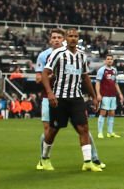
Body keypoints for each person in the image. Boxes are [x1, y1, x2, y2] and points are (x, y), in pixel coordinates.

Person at [39, 29, 102, 172]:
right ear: (66, 38)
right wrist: (50, 93)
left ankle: (87, 162)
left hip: (77, 98)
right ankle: (45, 158)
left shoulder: (81, 55)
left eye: (75, 36)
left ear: (78, 38)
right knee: (53, 130)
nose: (73, 38)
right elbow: (45, 73)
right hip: (59, 98)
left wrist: (93, 97)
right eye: (70, 36)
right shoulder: (58, 53)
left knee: (84, 129)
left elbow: (85, 77)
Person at [34, 28, 64, 170]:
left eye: (59, 37)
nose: (56, 39)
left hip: (67, 97)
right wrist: (50, 76)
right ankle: (44, 159)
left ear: (63, 39)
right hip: (48, 96)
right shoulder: (43, 56)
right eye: (54, 37)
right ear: (50, 40)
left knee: (83, 127)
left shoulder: (69, 54)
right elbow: (38, 79)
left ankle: (93, 159)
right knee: (48, 128)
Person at [95, 54, 124, 138]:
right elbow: (97, 83)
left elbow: (115, 83)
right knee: (103, 112)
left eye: (111, 59)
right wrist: (98, 94)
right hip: (105, 95)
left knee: (112, 113)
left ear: (113, 61)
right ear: (105, 60)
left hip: (113, 95)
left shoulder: (114, 70)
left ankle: (110, 132)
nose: (109, 60)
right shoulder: (102, 70)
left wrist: (120, 94)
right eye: (108, 59)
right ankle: (100, 132)